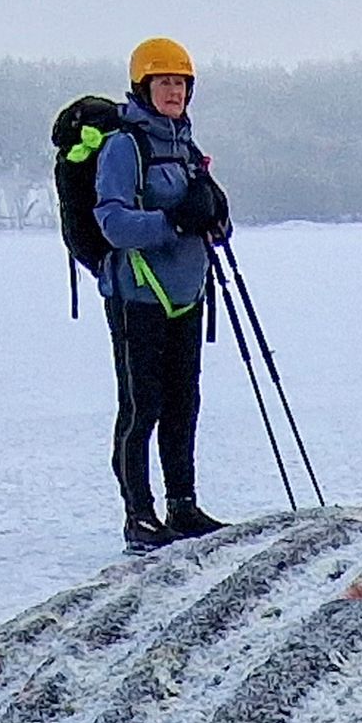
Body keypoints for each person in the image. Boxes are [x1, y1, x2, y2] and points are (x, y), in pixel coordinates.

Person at [92, 38, 232, 551]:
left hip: (187, 294)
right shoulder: (125, 147)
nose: (174, 91)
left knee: (183, 403)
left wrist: (214, 218)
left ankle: (183, 505)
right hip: (137, 297)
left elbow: (211, 218)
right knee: (141, 406)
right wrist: (174, 221)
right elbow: (111, 222)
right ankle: (139, 516)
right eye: (164, 82)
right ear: (143, 87)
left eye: (181, 83)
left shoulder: (186, 146)